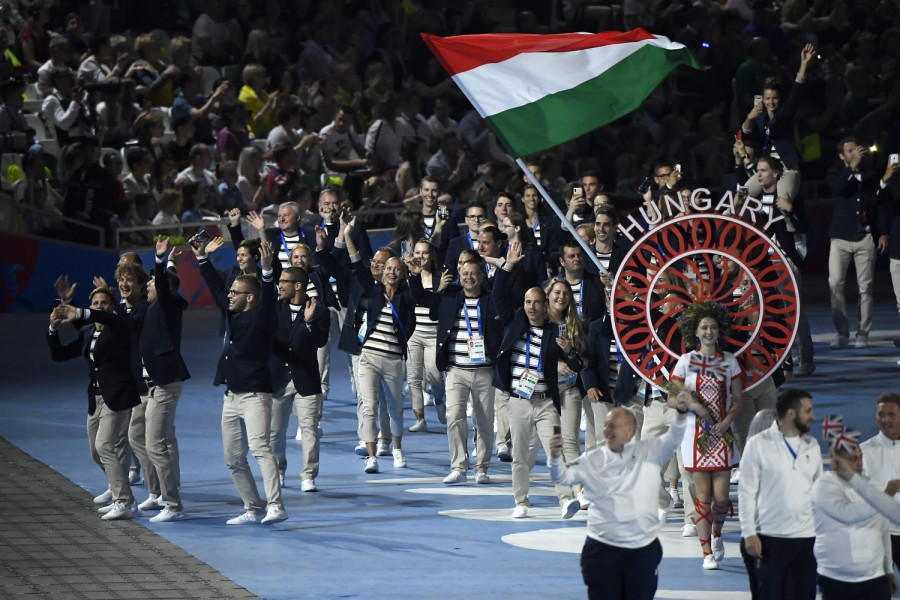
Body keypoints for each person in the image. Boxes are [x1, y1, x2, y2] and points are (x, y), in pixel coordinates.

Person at [549, 392, 690, 600]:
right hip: (601, 547)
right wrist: (554, 457)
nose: (606, 430)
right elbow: (562, 475)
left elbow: (676, 435)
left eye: (612, 425)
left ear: (629, 430)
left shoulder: (650, 451)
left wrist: (681, 411)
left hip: (641, 548)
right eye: (606, 425)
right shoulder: (593, 457)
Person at [192, 235, 288, 526]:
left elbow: (269, 299)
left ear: (250, 297)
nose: (229, 295)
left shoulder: (262, 318)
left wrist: (269, 270)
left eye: (236, 292)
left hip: (255, 397)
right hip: (230, 397)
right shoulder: (233, 314)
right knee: (233, 457)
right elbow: (218, 289)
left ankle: (276, 505)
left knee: (261, 449)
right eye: (231, 292)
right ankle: (252, 507)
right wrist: (202, 259)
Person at [494, 243, 583, 519]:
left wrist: (569, 351)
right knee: (520, 457)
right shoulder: (515, 322)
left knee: (556, 452)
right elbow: (498, 294)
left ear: (546, 305)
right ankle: (521, 501)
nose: (532, 307)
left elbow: (577, 365)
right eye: (528, 302)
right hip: (519, 402)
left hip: (546, 404)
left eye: (537, 302)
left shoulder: (554, 332)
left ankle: (566, 499)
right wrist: (507, 266)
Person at [48, 287, 140, 521]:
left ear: (112, 306)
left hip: (117, 395)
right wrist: (53, 329)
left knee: (105, 446)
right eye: (95, 303)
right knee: (95, 452)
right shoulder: (88, 332)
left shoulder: (118, 328)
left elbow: (107, 318)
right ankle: (123, 495)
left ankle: (124, 502)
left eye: (104, 303)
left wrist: (80, 312)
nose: (99, 306)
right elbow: (59, 354)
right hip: (95, 398)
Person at [669, 301, 742, 570]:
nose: (708, 331)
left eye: (712, 327)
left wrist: (726, 422)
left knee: (721, 498)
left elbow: (737, 400)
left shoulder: (730, 361)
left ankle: (718, 533)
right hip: (694, 435)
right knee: (703, 495)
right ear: (695, 332)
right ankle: (706, 553)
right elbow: (670, 398)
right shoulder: (685, 362)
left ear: (719, 331)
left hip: (722, 435)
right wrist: (695, 405)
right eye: (704, 327)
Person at [421, 255, 501, 484]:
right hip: (456, 370)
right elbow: (423, 300)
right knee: (454, 417)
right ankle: (458, 467)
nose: (469, 277)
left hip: (485, 370)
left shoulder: (491, 300)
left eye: (474, 273)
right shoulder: (450, 297)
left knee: (484, 421)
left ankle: (482, 468)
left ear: (482, 276)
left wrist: (505, 265)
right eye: (465, 273)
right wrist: (419, 277)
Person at [739, 388, 821, 600]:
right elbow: (746, 492)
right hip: (769, 539)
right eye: (808, 411)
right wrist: (749, 533)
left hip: (805, 539)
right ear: (792, 414)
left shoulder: (812, 445)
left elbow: (818, 493)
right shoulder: (758, 445)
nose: (813, 416)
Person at [136, 237, 191, 521]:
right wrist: (169, 264)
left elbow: (166, 287)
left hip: (164, 384)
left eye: (151, 283)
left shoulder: (169, 306)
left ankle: (172, 504)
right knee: (165, 442)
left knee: (154, 443)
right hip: (156, 383)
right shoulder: (153, 308)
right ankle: (162, 495)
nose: (147, 286)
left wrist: (160, 261)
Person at [826, 137, 890, 349]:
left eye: (856, 150)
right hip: (840, 238)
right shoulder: (836, 173)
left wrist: (882, 233)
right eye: (849, 151)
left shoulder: (871, 176)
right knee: (835, 283)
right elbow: (839, 189)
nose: (855, 153)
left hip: (865, 237)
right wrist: (851, 169)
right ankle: (842, 332)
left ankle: (862, 332)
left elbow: (878, 206)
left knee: (866, 288)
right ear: (842, 156)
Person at [812, 438, 895, 600]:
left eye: (861, 457)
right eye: (853, 459)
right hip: (836, 580)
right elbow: (848, 515)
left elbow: (884, 531)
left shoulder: (874, 486)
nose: (860, 463)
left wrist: (888, 569)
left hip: (874, 579)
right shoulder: (823, 486)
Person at [270, 266, 329, 490]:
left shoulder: (319, 311)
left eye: (284, 281)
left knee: (309, 430)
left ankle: (308, 476)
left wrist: (309, 322)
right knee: (276, 431)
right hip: (278, 380)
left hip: (306, 379)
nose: (280, 285)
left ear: (297, 285)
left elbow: (320, 342)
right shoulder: (274, 309)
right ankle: (278, 470)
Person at [406, 240, 447, 432]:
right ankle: (420, 418)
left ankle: (439, 399)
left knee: (435, 377)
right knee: (413, 378)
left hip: (434, 335)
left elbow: (439, 305)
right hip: (413, 335)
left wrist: (440, 290)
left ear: (431, 256)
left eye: (425, 253)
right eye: (418, 252)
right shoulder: (407, 278)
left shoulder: (441, 277)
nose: (420, 256)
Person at [860, 392, 900, 569]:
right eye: (881, 415)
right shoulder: (863, 452)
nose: (885, 420)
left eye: (891, 414)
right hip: (876, 534)